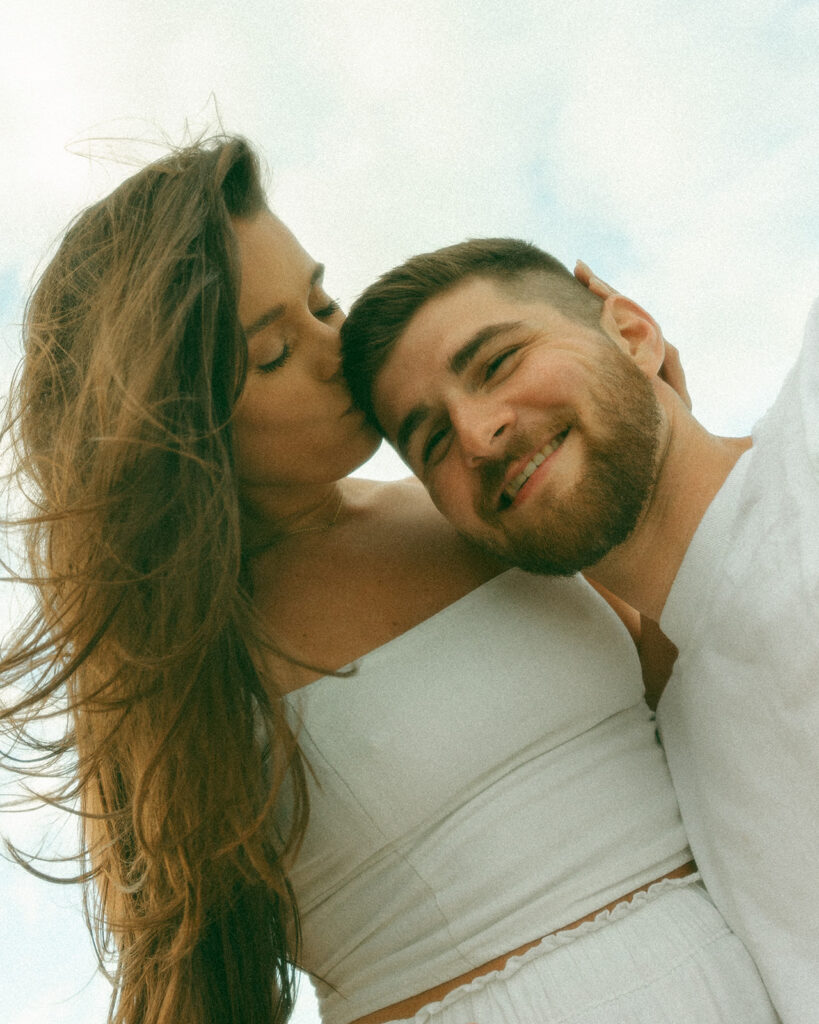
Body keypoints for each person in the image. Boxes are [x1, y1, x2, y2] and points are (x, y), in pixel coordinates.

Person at [0, 138, 779, 1024]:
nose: (336, 350)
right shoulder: (171, 666)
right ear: (180, 423)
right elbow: (179, 985)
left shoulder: (474, 502)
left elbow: (697, 709)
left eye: (322, 303)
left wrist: (659, 459)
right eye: (271, 355)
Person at [341, 235, 819, 1023]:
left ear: (631, 332)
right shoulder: (678, 769)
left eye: (496, 363)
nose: (477, 436)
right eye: (431, 443)